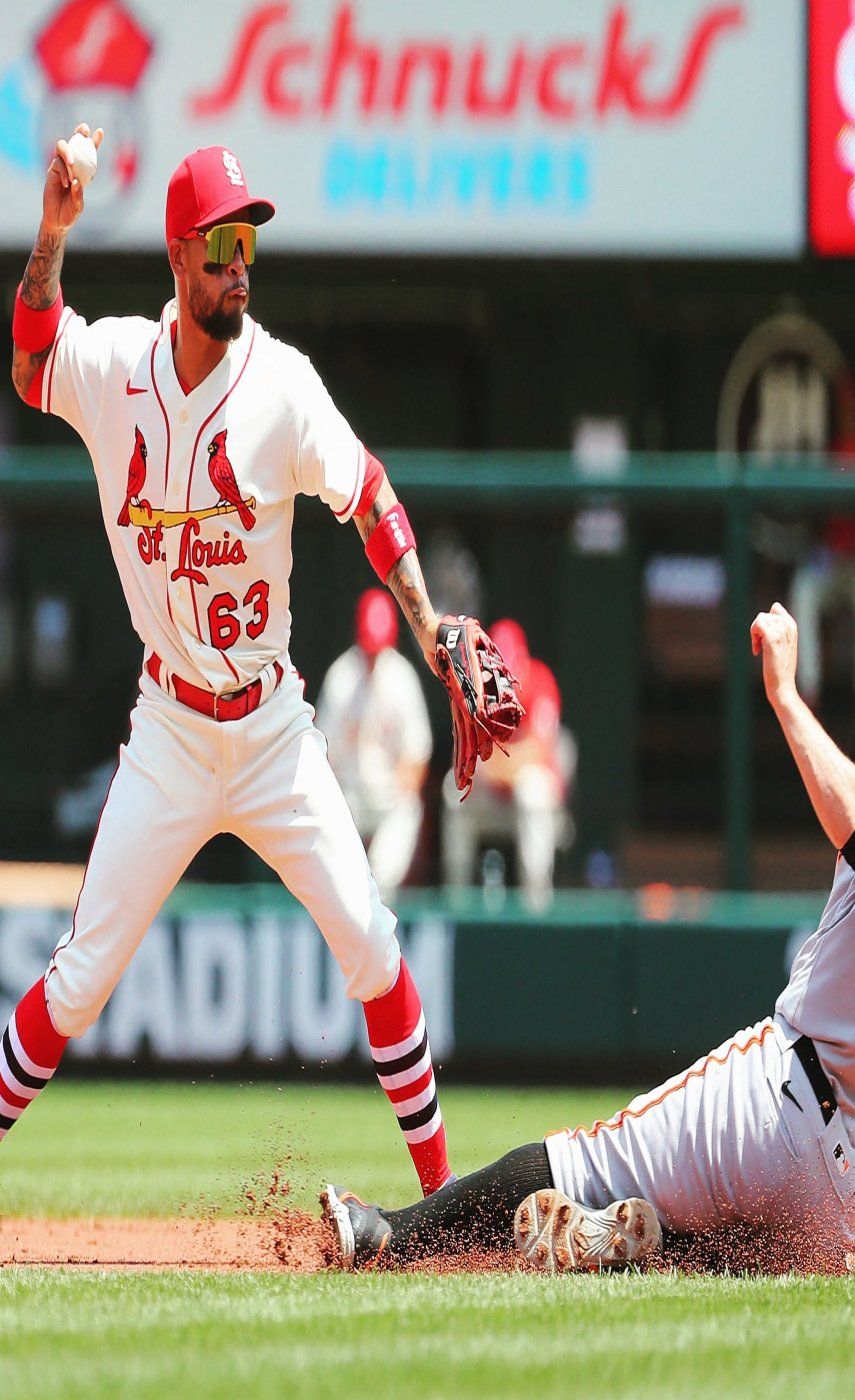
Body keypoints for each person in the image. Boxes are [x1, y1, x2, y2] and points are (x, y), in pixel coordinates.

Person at [2, 125, 493, 1195]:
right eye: (221, 246)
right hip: (170, 728)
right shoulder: (116, 367)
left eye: (249, 248)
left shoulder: (284, 385)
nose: (238, 268)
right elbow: (31, 356)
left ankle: (444, 1201)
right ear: (179, 254)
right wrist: (51, 229)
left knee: (371, 940)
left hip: (271, 728)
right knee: (79, 981)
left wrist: (431, 627)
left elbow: (368, 495)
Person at [324, 603, 855, 1271]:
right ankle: (617, 1243)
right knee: (736, 1254)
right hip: (841, 1208)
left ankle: (388, 1235)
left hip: (784, 1100)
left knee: (585, 1161)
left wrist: (781, 694)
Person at [441, 618, 574, 908]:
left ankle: (536, 902)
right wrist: (499, 763)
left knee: (532, 792)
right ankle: (457, 902)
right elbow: (470, 748)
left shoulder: (540, 680)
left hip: (525, 789)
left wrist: (502, 763)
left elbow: (539, 749)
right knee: (452, 791)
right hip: (492, 791)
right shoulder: (477, 682)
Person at [315, 588, 432, 896]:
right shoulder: (342, 676)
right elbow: (321, 753)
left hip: (388, 793)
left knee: (407, 809)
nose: (372, 656)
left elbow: (418, 755)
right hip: (349, 792)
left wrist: (402, 786)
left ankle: (381, 898)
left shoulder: (401, 677)